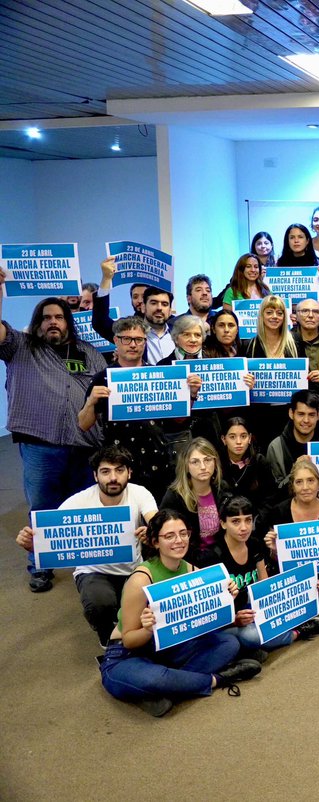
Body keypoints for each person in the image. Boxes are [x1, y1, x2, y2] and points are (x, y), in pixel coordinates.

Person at [97, 510, 262, 717]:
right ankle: (216, 679)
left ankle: (169, 689)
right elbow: (129, 640)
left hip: (168, 647)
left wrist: (227, 598)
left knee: (228, 643)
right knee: (154, 679)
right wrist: (148, 629)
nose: (179, 541)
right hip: (126, 654)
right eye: (169, 536)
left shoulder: (191, 570)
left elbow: (204, 621)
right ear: (155, 542)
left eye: (183, 534)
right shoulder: (140, 580)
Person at [0, 284, 108, 592]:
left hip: (85, 445)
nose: (53, 322)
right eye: (46, 318)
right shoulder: (20, 346)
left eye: (59, 317)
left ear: (68, 321)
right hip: (40, 443)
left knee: (85, 510)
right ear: (37, 323)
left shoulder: (89, 353)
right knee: (43, 508)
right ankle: (40, 566)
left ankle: (90, 566)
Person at [15, 445, 158, 646]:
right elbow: (49, 539)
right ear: (95, 475)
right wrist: (33, 545)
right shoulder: (78, 501)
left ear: (129, 472)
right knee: (99, 603)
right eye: (105, 471)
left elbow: (155, 520)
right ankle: (107, 636)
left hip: (133, 570)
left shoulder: (139, 493)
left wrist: (152, 532)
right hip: (94, 572)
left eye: (119, 470)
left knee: (151, 607)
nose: (113, 478)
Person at [197, 495, 319, 654]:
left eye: (248, 520)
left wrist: (307, 587)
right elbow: (210, 613)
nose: (244, 527)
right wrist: (234, 621)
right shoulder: (212, 557)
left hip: (254, 608)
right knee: (252, 636)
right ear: (223, 523)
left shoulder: (254, 544)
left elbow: (264, 585)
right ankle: (296, 633)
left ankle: (263, 642)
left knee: (292, 596)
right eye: (236, 521)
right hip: (232, 621)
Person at [78, 316, 179, 501]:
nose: (133, 344)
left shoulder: (157, 374)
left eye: (139, 339)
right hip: (119, 462)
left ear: (145, 342)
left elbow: (175, 420)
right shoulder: (102, 378)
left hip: (157, 460)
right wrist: (91, 402)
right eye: (127, 339)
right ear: (116, 340)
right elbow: (83, 424)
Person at [261, 458, 319, 611]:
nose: (305, 487)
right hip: (295, 575)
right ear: (292, 486)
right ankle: (318, 601)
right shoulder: (279, 512)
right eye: (299, 482)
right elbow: (277, 562)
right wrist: (274, 550)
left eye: (310, 480)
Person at [159, 437, 229, 559]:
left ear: (215, 463)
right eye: (195, 462)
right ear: (186, 466)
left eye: (207, 460)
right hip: (187, 558)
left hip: (221, 554)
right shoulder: (174, 496)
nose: (203, 467)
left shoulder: (222, 488)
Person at [265, 390, 319, 491]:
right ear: (291, 413)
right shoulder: (276, 447)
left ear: (318, 416)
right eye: (301, 414)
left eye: (311, 415)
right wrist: (295, 471)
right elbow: (274, 493)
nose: (306, 420)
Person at [219, 416, 275, 505]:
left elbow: (270, 498)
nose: (238, 442)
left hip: (256, 516)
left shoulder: (260, 462)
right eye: (232, 437)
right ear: (224, 439)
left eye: (243, 436)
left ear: (249, 438)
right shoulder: (216, 464)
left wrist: (257, 518)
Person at [139, 286, 176, 364]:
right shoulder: (133, 333)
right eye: (154, 303)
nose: (159, 308)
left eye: (164, 304)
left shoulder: (179, 333)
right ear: (143, 307)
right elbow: (105, 321)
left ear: (170, 311)